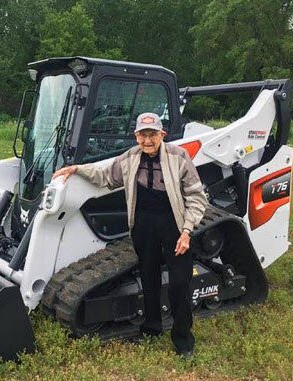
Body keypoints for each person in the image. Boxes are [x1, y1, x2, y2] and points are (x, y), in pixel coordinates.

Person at [52, 112, 208, 357]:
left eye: (153, 134)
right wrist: (76, 169)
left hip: (174, 225)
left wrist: (187, 231)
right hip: (143, 224)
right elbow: (105, 176)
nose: (148, 140)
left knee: (179, 282)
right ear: (136, 136)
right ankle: (152, 327)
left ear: (162, 135)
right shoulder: (129, 158)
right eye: (143, 135)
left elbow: (197, 197)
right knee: (149, 277)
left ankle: (183, 341)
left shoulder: (179, 157)